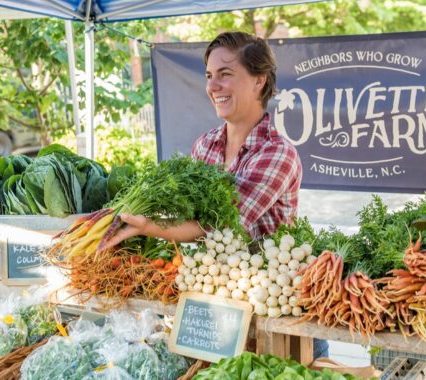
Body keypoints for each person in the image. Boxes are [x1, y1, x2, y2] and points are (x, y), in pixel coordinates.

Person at [101, 31, 328, 358]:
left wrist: (147, 225)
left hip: (274, 318)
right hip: (219, 309)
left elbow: (222, 225)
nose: (213, 86)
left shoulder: (277, 154)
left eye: (226, 74)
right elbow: (187, 220)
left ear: (258, 81)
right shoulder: (204, 145)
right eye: (209, 76)